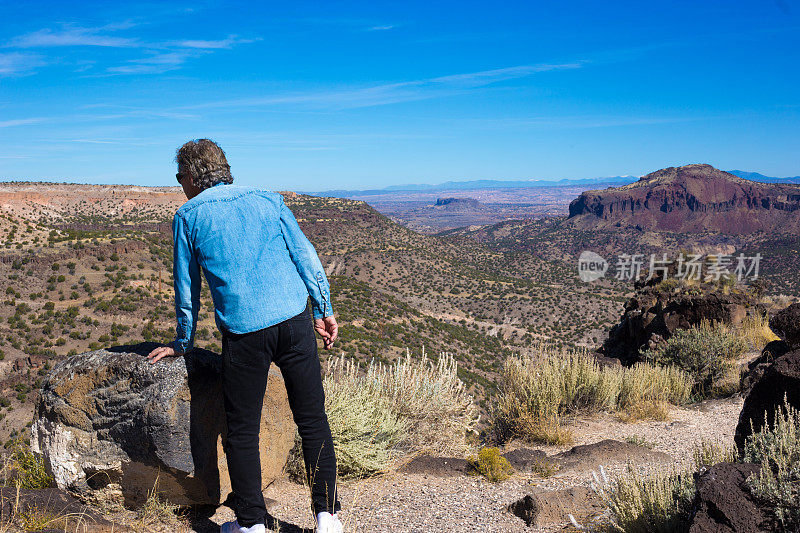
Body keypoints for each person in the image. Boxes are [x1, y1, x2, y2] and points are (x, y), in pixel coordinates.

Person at [147, 139, 342, 533]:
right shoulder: (269, 200)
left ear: (192, 176)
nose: (179, 183)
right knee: (312, 419)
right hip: (294, 320)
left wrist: (181, 343)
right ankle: (327, 518)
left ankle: (251, 524)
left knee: (241, 431)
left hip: (244, 332)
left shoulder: (188, 216)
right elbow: (306, 255)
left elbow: (187, 290)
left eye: (179, 176)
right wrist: (324, 309)